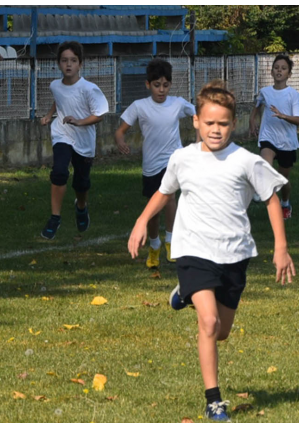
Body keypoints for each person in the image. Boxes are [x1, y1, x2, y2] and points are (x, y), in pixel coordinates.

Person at [127, 80, 296, 422]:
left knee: (222, 332)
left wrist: (281, 247)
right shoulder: (183, 158)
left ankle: (184, 293)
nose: (215, 130)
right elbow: (164, 192)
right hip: (194, 250)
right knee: (208, 322)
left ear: (234, 124)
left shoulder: (246, 161)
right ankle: (214, 401)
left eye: (222, 123)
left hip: (234, 254)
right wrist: (142, 220)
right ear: (196, 122)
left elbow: (271, 198)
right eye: (209, 123)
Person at [115, 58, 195, 267]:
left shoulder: (177, 103)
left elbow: (198, 114)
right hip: (151, 164)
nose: (161, 90)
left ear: (170, 85)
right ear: (148, 84)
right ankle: (154, 245)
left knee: (170, 198)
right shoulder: (139, 106)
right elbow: (120, 130)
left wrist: (199, 136)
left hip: (173, 160)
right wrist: (121, 141)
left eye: (165, 85)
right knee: (153, 208)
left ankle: (171, 241)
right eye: (157, 85)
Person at [39, 41, 109, 240]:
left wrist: (79, 122)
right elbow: (59, 99)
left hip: (84, 141)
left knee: (81, 183)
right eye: (64, 60)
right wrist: (49, 115)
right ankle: (55, 218)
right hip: (62, 133)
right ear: (58, 64)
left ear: (80, 64)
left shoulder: (89, 89)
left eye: (73, 60)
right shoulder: (55, 85)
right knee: (59, 172)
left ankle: (81, 207)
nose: (68, 64)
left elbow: (100, 114)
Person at [248, 54, 299, 219]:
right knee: (264, 162)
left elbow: (298, 120)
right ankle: (260, 188)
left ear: (289, 74)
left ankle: (285, 203)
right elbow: (257, 106)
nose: (279, 71)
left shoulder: (293, 95)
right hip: (268, 137)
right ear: (271, 72)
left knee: (283, 180)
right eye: (276, 68)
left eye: (283, 68)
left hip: (287, 142)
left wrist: (282, 116)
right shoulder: (265, 92)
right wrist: (252, 121)